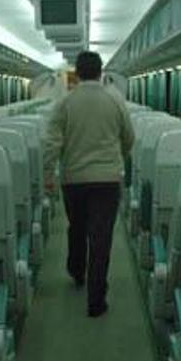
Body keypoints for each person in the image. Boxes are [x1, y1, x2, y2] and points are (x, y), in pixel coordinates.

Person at [43, 51, 135, 317]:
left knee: (77, 227)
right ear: (100, 71)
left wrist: (48, 174)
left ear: (78, 73)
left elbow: (51, 143)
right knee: (101, 237)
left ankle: (76, 271)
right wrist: (116, 159)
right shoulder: (115, 100)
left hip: (74, 179)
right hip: (107, 180)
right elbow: (128, 137)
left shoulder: (65, 102)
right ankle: (96, 300)